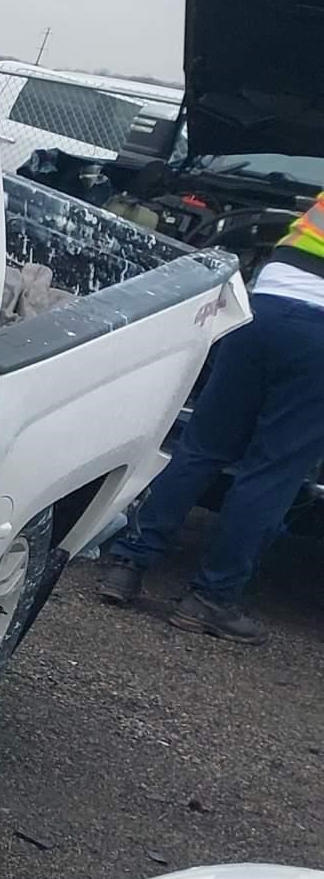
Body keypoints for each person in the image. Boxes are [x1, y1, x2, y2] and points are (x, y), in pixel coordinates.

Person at [99, 193, 324, 643]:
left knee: (201, 447)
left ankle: (127, 564)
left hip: (261, 308)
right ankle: (211, 598)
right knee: (271, 472)